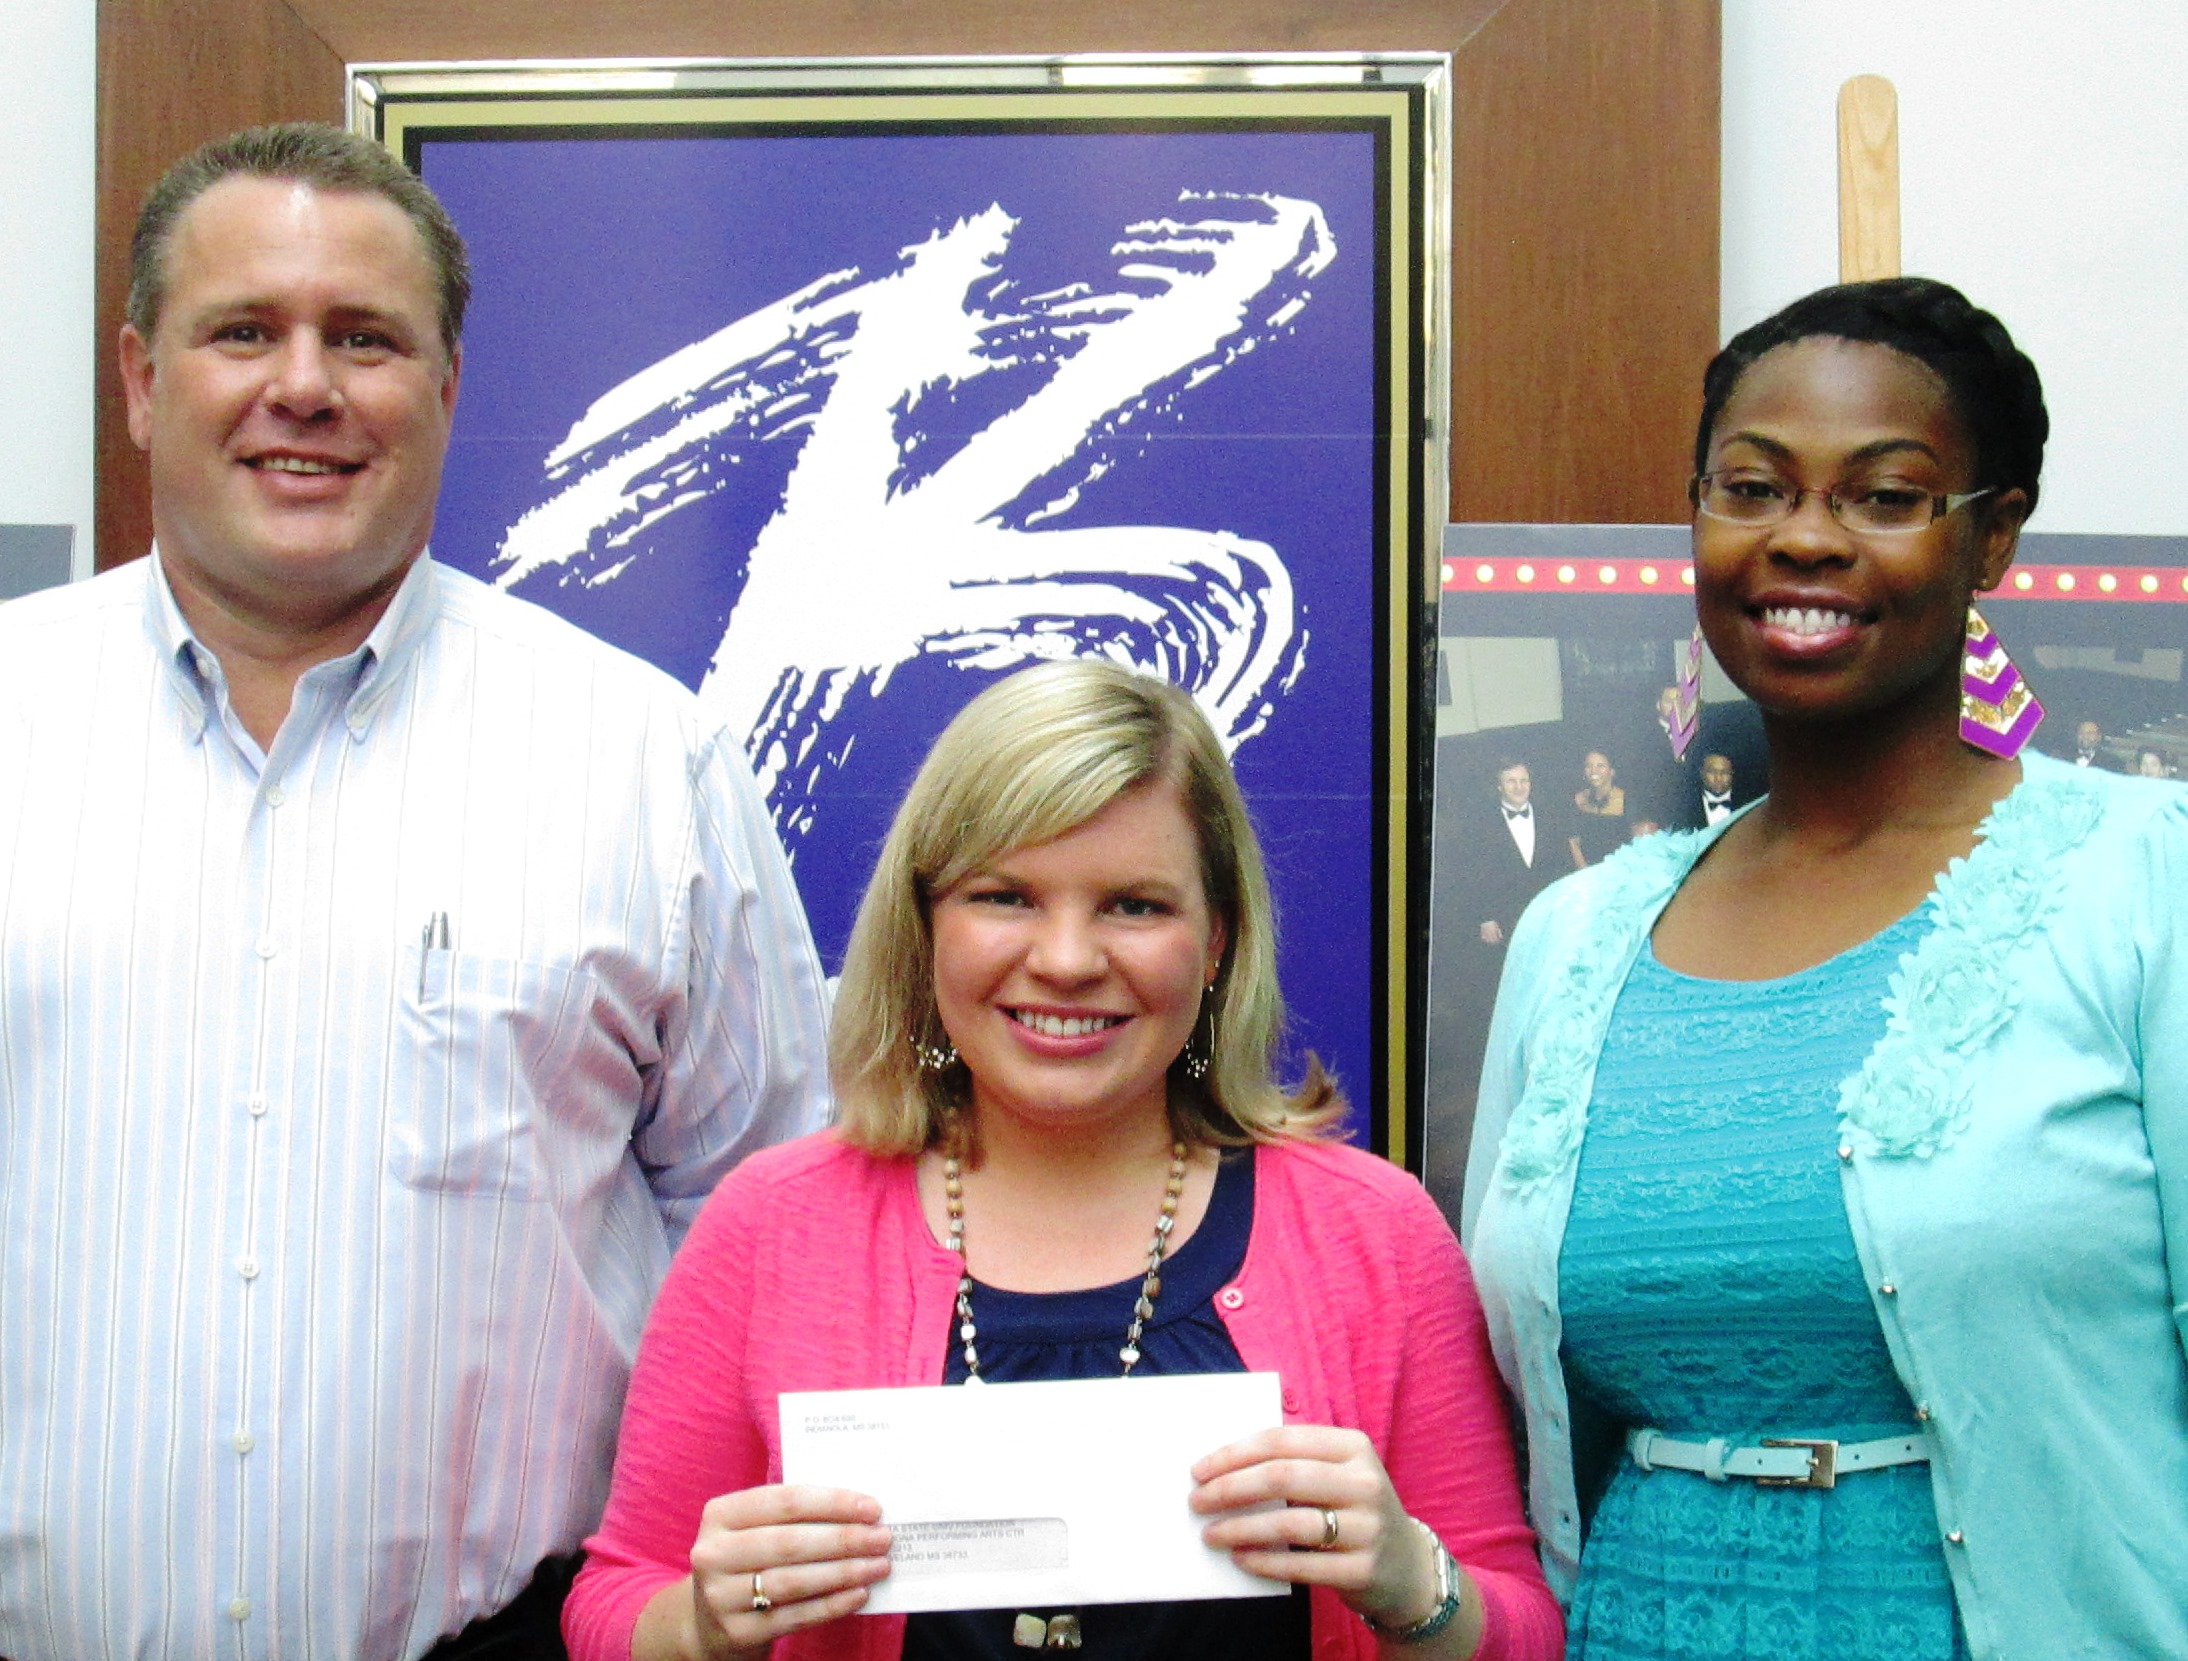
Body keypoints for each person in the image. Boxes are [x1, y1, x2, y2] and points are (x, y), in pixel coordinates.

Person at [0, 124, 831, 1661]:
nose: (302, 385)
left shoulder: (644, 760)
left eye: (364, 339)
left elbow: (786, 1231)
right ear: (137, 378)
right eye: (242, 329)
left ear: (446, 389)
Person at [1463, 277, 2188, 1661]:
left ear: (1995, 542)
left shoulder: (2146, 884)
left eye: (1886, 495)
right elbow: (1511, 1423)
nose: (1804, 537)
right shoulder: (1574, 940)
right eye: (1753, 486)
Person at [565, 660, 1563, 1661]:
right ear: (924, 926)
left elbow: (1518, 1624)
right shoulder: (770, 1226)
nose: (1068, 957)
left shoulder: (1374, 1233)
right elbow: (613, 1600)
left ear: (1215, 940)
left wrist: (1411, 1581)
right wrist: (699, 1623)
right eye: (1004, 895)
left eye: (1134, 905)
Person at [1565, 751, 1626, 866]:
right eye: (1589, 766)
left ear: (1612, 771)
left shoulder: (1627, 800)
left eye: (1600, 766)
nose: (1594, 771)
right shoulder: (1577, 799)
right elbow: (1573, 842)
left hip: (1620, 871)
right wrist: (1586, 874)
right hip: (1585, 873)